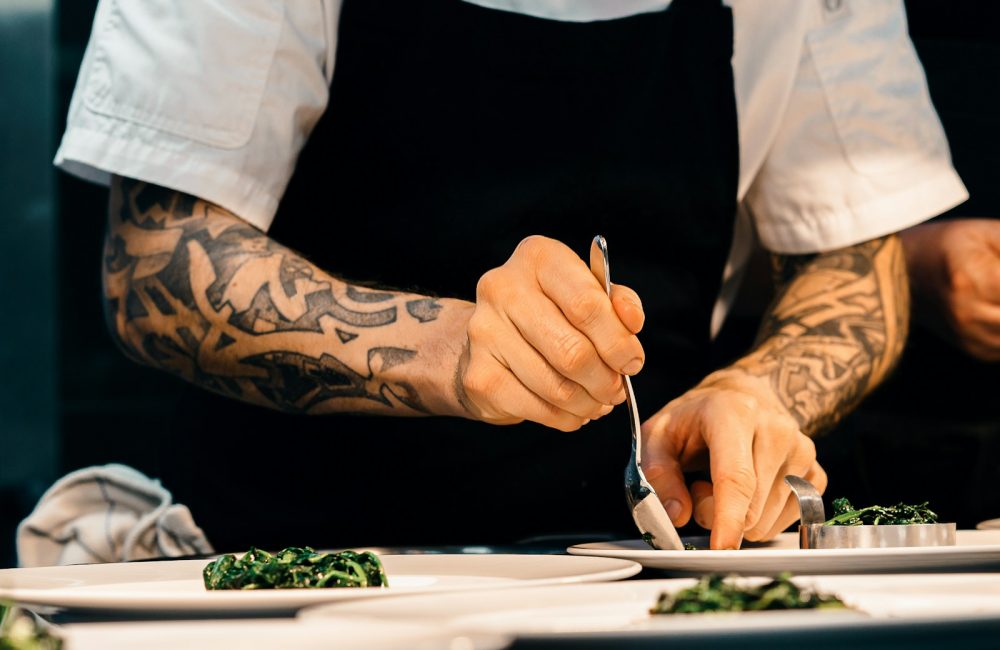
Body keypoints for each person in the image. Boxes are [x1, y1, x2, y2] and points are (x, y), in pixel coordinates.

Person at [55, 0, 968, 551]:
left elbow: (854, 246)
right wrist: (446, 348)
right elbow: (155, 260)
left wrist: (762, 393)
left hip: (646, 575)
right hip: (286, 566)